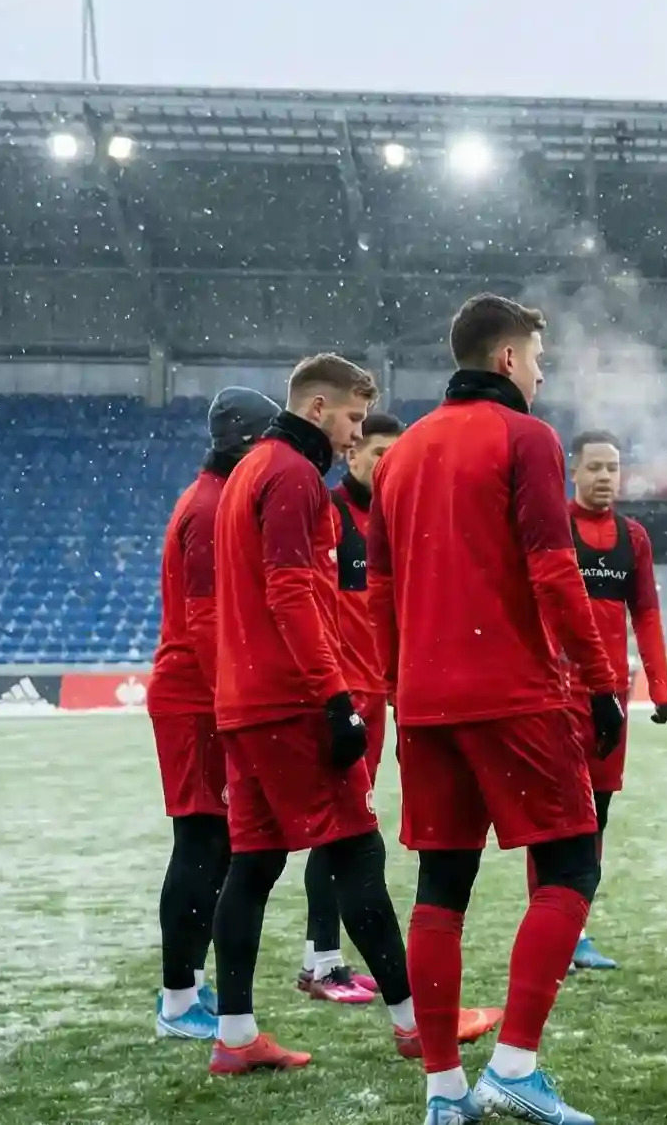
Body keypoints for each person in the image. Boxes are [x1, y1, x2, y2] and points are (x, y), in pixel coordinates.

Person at [368, 293, 628, 1125]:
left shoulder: (401, 456)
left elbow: (377, 594)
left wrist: (400, 688)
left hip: (427, 702)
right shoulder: (525, 437)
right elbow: (555, 572)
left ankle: (444, 1091)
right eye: (539, 358)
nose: (544, 373)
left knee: (442, 886)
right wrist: (598, 681)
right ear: (508, 359)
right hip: (513, 692)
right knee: (571, 868)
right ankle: (514, 1065)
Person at [207, 358, 493, 1076]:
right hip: (288, 702)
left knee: (252, 865)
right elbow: (292, 594)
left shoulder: (251, 469)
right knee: (357, 853)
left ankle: (236, 1036)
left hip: (242, 700)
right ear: (318, 405)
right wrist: (335, 698)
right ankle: (415, 1025)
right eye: (354, 420)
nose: (355, 435)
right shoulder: (294, 477)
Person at [147, 386, 278, 1041]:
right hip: (197, 699)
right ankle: (177, 998)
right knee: (202, 845)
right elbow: (204, 621)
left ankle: (187, 989)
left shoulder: (217, 499)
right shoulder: (209, 508)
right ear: (249, 442)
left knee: (214, 846)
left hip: (204, 694)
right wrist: (238, 698)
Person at [297, 407, 405, 1007]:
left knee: (343, 832)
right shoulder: (330, 514)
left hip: (377, 695)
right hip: (341, 699)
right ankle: (322, 963)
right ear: (352, 454)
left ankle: (326, 960)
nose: (387, 466)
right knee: (338, 833)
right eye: (378, 454)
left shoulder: (394, 521)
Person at [561, 428, 667, 971]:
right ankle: (555, 928)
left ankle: (576, 930)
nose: (606, 476)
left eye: (614, 467)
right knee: (560, 819)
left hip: (612, 700)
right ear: (573, 471)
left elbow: (646, 615)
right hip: (557, 697)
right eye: (596, 467)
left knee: (596, 817)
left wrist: (661, 685)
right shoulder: (554, 529)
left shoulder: (634, 538)